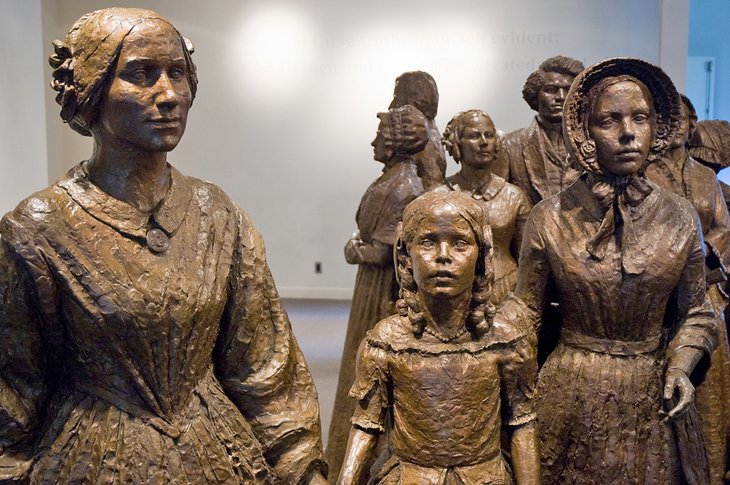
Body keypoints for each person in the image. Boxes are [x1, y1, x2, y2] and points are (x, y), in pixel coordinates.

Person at [0, 8, 327, 484]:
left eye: (178, 73)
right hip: (92, 460)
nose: (169, 95)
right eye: (140, 74)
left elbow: (264, 368)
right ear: (91, 91)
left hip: (218, 455)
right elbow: (12, 388)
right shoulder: (38, 230)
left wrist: (298, 462)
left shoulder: (219, 215)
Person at [505, 58, 718, 484]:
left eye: (640, 118)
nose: (627, 133)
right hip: (570, 388)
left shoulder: (679, 216)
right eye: (609, 120)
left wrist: (681, 365)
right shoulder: (549, 217)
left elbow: (697, 312)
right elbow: (524, 309)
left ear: (656, 128)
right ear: (585, 131)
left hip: (653, 390)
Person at [337, 191, 539, 485]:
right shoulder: (386, 341)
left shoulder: (505, 340)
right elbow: (365, 427)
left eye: (460, 243)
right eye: (428, 242)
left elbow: (522, 425)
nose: (443, 256)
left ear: (482, 255)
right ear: (405, 255)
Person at [326, 105, 428, 481]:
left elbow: (385, 250)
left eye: (379, 136)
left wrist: (354, 249)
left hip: (382, 288)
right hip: (369, 285)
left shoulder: (403, 187)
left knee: (372, 375)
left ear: (395, 143)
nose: (373, 141)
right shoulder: (391, 179)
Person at [646, 94, 730, 484]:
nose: (681, 123)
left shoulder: (706, 177)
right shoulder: (642, 176)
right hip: (660, 301)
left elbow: (724, 230)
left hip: (707, 297)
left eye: (688, 117)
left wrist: (705, 249)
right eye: (673, 116)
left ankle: (710, 473)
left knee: (712, 400)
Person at [442, 110, 532, 304]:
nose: (484, 142)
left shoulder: (514, 196)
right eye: (474, 136)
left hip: (505, 289)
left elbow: (528, 260)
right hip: (453, 292)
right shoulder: (439, 195)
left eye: (489, 135)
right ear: (457, 143)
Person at [502, 56, 585, 205]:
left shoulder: (595, 141)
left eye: (568, 90)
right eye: (551, 90)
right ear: (535, 95)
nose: (561, 97)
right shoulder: (510, 145)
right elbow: (502, 203)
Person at [389, 71, 447, 189]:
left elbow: (433, 189)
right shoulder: (428, 137)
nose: (391, 106)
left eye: (396, 98)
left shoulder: (424, 143)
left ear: (415, 99)